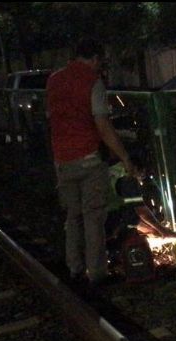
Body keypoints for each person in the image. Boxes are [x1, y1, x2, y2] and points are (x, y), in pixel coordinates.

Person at [46, 37, 137, 286]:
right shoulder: (93, 82)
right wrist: (124, 157)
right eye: (100, 61)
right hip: (88, 158)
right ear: (95, 58)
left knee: (73, 216)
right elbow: (103, 125)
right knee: (93, 217)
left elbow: (52, 118)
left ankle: (74, 268)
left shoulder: (54, 80)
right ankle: (97, 273)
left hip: (62, 159)